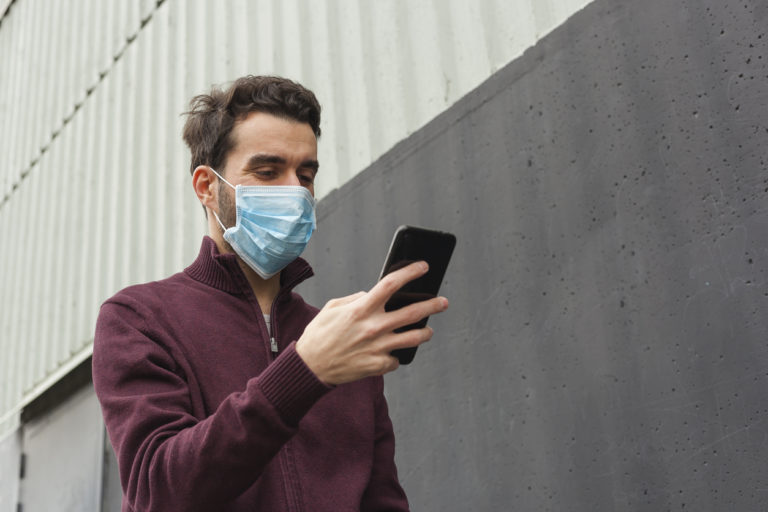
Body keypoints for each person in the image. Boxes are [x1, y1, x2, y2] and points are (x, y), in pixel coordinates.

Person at [92, 75, 449, 512]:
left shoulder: (341, 338)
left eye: (306, 173)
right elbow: (157, 491)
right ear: (208, 187)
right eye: (267, 171)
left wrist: (320, 359)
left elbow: (383, 499)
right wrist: (304, 371)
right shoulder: (139, 318)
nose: (296, 192)